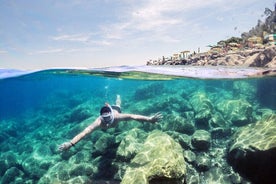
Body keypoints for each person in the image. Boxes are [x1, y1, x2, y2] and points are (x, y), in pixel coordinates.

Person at [58, 95, 162, 151]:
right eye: (105, 120)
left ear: (111, 116)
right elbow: (84, 133)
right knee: (110, 108)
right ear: (101, 117)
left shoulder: (117, 116)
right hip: (109, 109)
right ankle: (109, 104)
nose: (107, 124)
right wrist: (70, 143)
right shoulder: (98, 123)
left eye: (109, 119)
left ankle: (118, 98)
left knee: (118, 105)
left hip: (115, 109)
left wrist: (149, 119)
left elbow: (133, 116)